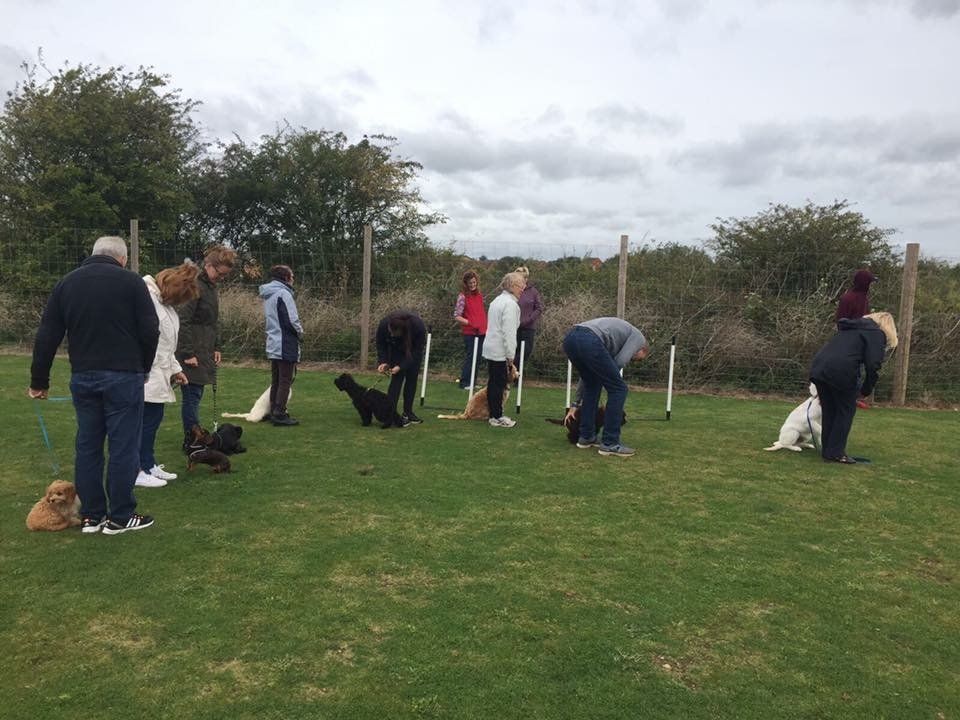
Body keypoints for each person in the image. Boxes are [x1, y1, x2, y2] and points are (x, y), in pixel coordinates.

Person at [28, 236, 159, 534]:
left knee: (87, 446)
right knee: (123, 446)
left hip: (83, 376)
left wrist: (39, 380)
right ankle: (122, 516)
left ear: (93, 253)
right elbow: (151, 329)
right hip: (124, 375)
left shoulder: (66, 284)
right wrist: (144, 367)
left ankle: (92, 515)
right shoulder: (132, 282)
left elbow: (47, 334)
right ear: (122, 259)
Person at [137, 263, 200, 488]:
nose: (179, 304)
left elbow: (166, 345)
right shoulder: (147, 300)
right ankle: (139, 468)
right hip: (147, 373)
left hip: (159, 372)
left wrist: (176, 370)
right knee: (145, 423)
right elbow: (149, 342)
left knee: (152, 421)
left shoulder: (164, 304)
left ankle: (148, 463)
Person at [809, 311, 897, 464]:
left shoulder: (849, 328)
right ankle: (836, 453)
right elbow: (873, 365)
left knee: (830, 411)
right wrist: (866, 389)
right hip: (841, 372)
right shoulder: (876, 334)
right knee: (845, 411)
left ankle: (828, 451)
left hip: (819, 368)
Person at [562, 317, 649, 457]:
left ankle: (586, 437)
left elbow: (586, 379)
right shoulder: (639, 338)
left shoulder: (612, 343)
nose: (632, 360)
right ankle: (610, 443)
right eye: (636, 358)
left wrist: (575, 403)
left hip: (570, 338)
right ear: (642, 349)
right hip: (589, 339)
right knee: (619, 389)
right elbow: (619, 362)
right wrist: (608, 377)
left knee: (592, 384)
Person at [176, 245, 236, 442]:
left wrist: (216, 347)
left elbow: (211, 321)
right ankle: (191, 440)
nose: (222, 278)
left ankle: (195, 436)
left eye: (225, 275)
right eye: (220, 273)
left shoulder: (211, 287)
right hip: (192, 350)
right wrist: (187, 353)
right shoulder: (195, 286)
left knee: (196, 393)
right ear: (209, 265)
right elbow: (183, 319)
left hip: (205, 348)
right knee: (192, 395)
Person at [259, 264, 303, 426]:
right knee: (285, 379)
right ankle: (280, 413)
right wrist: (300, 332)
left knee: (277, 379)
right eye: (291, 276)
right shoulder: (284, 293)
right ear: (285, 278)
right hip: (285, 342)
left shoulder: (269, 294)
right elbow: (292, 319)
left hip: (273, 340)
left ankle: (273, 410)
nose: (293, 279)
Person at [482, 272, 525, 427]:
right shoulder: (510, 304)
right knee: (498, 383)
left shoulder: (497, 300)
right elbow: (509, 332)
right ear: (512, 286)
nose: (523, 288)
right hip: (499, 350)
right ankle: (496, 416)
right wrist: (510, 355)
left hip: (491, 347)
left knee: (494, 382)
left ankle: (493, 414)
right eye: (521, 285)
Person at [836, 269, 879, 409]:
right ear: (863, 283)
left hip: (862, 340)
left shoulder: (864, 299)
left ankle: (854, 397)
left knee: (859, 369)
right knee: (849, 370)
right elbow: (841, 322)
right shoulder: (847, 298)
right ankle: (847, 398)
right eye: (870, 282)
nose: (871, 286)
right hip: (848, 340)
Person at [376, 310, 427, 427]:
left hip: (413, 352)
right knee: (396, 380)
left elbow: (416, 352)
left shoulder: (418, 327)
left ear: (402, 331)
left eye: (395, 333)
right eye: (391, 332)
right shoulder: (384, 324)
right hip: (395, 351)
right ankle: (389, 413)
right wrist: (383, 362)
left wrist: (402, 366)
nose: (392, 334)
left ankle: (408, 412)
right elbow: (381, 344)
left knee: (411, 379)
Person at [454, 270, 487, 390]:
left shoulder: (479, 295)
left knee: (478, 358)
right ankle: (464, 382)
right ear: (466, 284)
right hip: (470, 333)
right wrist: (470, 322)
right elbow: (457, 316)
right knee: (471, 357)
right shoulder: (462, 297)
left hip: (482, 332)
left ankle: (473, 381)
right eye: (470, 283)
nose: (473, 284)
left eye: (474, 282)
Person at [513, 265, 544, 372]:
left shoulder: (533, 292)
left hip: (529, 328)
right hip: (514, 327)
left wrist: (530, 319)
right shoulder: (513, 291)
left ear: (526, 279)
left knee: (525, 352)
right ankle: (513, 377)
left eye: (523, 277)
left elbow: (539, 308)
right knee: (514, 352)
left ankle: (514, 373)